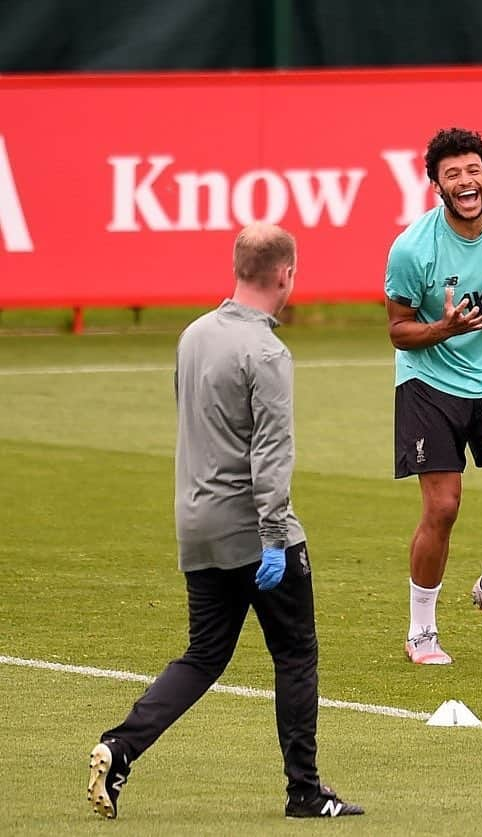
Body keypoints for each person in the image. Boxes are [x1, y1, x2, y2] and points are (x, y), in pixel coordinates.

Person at [86, 223, 363, 820]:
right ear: (286, 273)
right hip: (255, 530)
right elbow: (271, 453)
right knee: (294, 654)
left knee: (204, 655)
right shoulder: (266, 352)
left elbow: (188, 419)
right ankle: (304, 791)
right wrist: (271, 537)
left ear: (238, 268)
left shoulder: (193, 335)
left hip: (196, 522)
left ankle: (120, 746)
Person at [384, 127, 482, 665]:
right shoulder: (411, 248)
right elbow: (398, 329)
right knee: (444, 507)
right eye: (452, 174)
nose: (465, 180)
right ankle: (421, 632)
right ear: (436, 186)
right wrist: (444, 329)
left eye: (473, 169)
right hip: (428, 385)